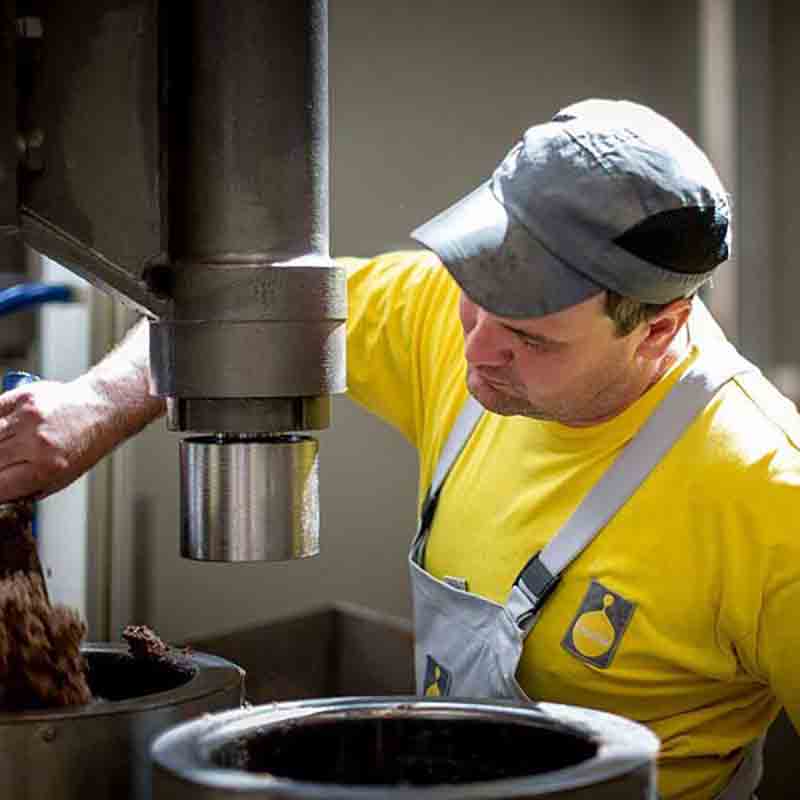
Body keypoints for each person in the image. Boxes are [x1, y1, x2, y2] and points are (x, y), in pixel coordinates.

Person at [0, 98, 797, 799]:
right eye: (473, 301)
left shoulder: (765, 496)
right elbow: (254, 310)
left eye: (530, 339)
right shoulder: (443, 317)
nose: (476, 351)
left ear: (659, 329)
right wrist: (91, 408)